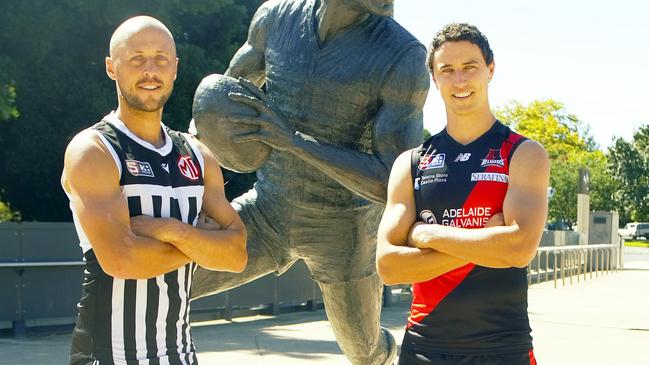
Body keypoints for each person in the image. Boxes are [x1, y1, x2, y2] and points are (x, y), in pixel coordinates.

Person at [189, 0, 429, 364]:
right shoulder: (275, 18)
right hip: (268, 211)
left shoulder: (403, 56)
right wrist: (201, 184)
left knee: (365, 353)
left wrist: (294, 142)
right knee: (167, 281)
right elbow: (221, 103)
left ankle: (393, 356)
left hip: (343, 233)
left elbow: (392, 181)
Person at [61, 16, 247, 365]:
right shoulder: (95, 149)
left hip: (181, 355)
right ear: (111, 67)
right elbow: (121, 259)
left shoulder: (197, 154)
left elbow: (236, 255)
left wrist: (171, 230)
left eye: (161, 58)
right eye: (136, 59)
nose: (150, 69)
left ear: (175, 68)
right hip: (108, 355)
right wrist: (202, 244)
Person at [376, 23, 549, 364]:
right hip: (423, 347)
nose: (460, 81)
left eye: (470, 67)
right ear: (435, 79)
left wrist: (431, 235)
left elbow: (518, 248)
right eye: (447, 70)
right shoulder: (411, 164)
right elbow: (389, 267)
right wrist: (486, 239)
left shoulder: (522, 154)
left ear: (490, 70)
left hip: (502, 348)